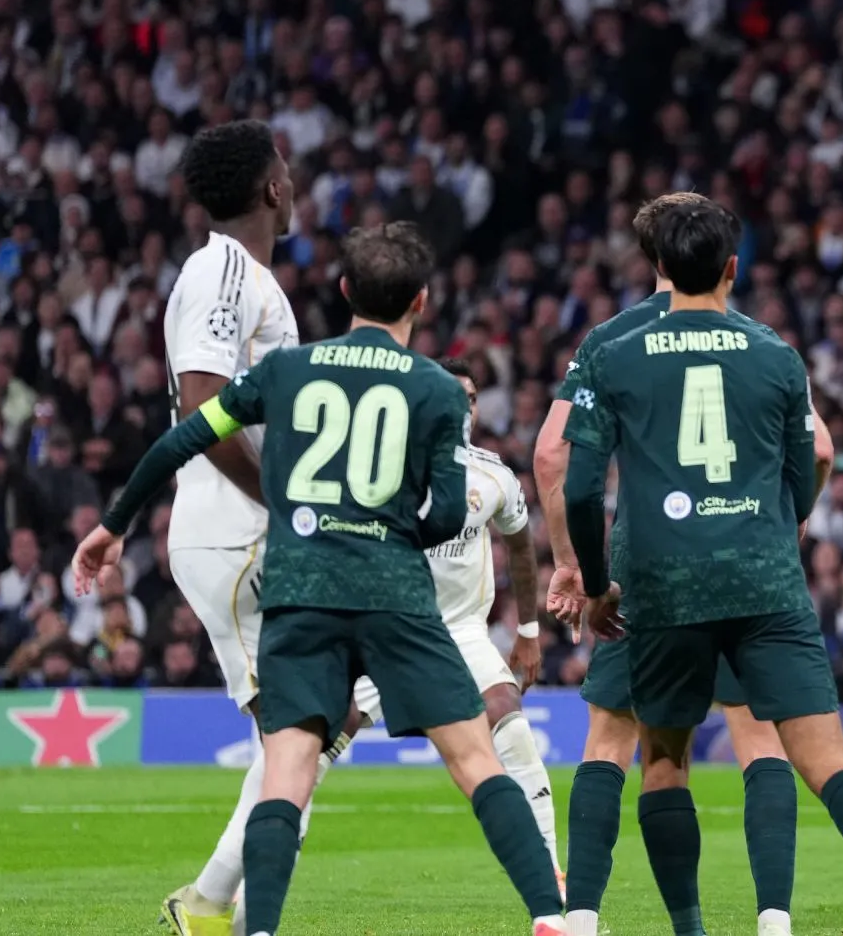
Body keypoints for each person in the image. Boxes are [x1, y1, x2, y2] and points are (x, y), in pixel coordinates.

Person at [72, 224, 567, 936]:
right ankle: (549, 919)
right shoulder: (434, 387)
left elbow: (188, 433)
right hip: (395, 598)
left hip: (302, 595)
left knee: (288, 770)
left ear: (343, 293)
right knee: (475, 758)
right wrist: (396, 536)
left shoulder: (287, 371)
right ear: (421, 302)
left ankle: (261, 929)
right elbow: (452, 513)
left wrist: (115, 523)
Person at [559, 197, 843, 936]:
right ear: (733, 267)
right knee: (822, 759)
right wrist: (776, 525)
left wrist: (596, 586)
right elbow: (817, 456)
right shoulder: (774, 353)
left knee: (661, 762)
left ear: (658, 267)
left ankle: (685, 927)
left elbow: (575, 482)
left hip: (660, 584)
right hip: (763, 579)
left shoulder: (615, 350)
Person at [155, 119, 344, 936]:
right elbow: (203, 403)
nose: (294, 182)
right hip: (237, 531)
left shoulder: (249, 276)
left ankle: (211, 903)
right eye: (288, 170)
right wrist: (282, 496)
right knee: (305, 728)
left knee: (315, 723)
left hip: (245, 526)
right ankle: (213, 909)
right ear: (271, 188)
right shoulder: (223, 267)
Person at [351, 357, 561, 881]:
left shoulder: (493, 475)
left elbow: (520, 549)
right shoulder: (387, 467)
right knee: (307, 750)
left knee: (510, 721)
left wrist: (528, 632)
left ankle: (553, 876)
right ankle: (231, 891)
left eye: (471, 398)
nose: (463, 406)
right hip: (389, 630)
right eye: (452, 395)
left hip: (462, 632)